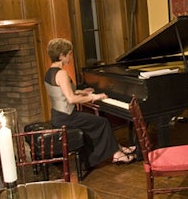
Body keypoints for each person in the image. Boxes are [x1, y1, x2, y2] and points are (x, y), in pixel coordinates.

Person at [44, 38, 136, 167]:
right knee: (103, 122)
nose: (71, 57)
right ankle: (116, 154)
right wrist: (95, 97)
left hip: (58, 116)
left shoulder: (49, 72)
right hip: (67, 117)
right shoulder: (62, 73)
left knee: (97, 123)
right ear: (61, 56)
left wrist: (82, 92)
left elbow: (62, 94)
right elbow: (71, 99)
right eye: (69, 54)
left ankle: (117, 148)